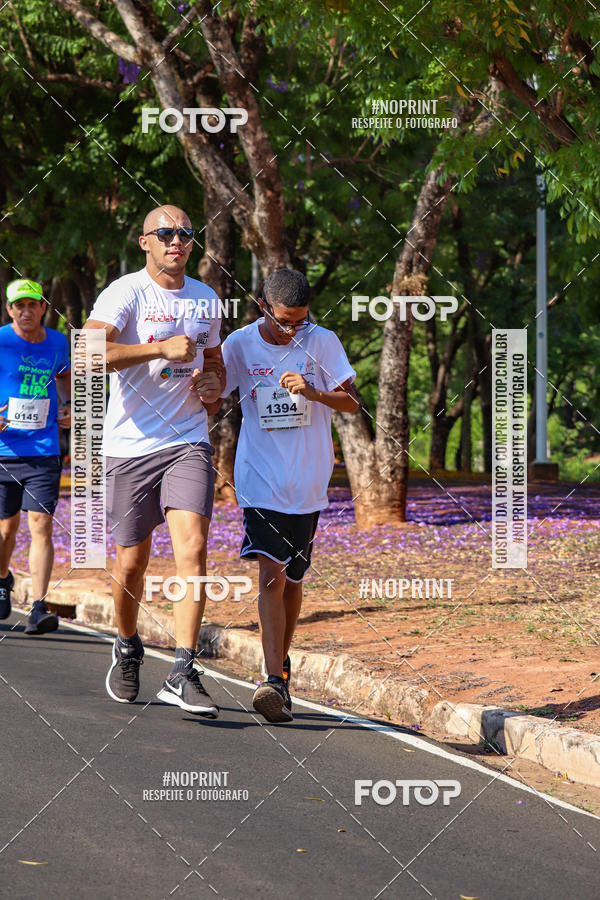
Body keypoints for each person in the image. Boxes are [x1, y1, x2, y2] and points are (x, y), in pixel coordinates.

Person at [84, 204, 225, 715]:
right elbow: (87, 355)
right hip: (129, 446)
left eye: (186, 233)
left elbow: (216, 367)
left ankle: (184, 670)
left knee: (194, 547)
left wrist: (214, 385)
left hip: (187, 440)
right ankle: (126, 646)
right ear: (145, 241)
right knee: (131, 561)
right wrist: (158, 349)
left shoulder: (207, 298)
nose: (177, 241)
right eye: (166, 233)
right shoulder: (125, 292)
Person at [221, 268, 359, 722]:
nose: (291, 329)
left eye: (299, 321)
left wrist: (315, 391)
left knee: (294, 580)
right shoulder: (240, 344)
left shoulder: (322, 341)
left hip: (308, 481)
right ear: (263, 306)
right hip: (260, 478)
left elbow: (352, 401)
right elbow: (215, 390)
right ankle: (272, 679)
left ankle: (282, 662)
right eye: (283, 321)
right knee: (271, 573)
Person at [0, 278, 71, 635]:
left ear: (43, 307)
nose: (26, 311)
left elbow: (66, 377)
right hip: (3, 452)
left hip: (43, 451)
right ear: (10, 309)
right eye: (18, 305)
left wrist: (69, 407)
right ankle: (2, 580)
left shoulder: (58, 343)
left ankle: (39, 606)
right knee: (4, 531)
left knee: (40, 525)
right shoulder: (1, 340)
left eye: (33, 304)